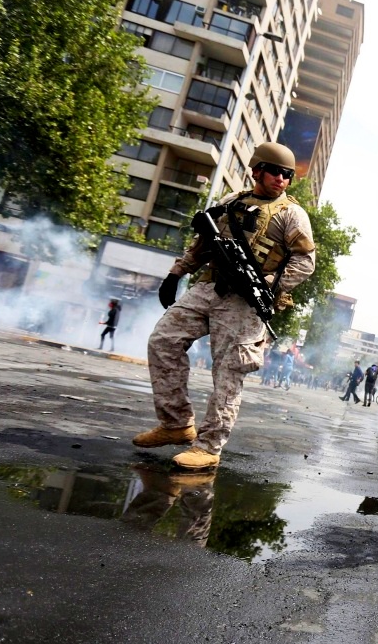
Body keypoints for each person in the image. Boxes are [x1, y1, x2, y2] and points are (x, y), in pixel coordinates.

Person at [131, 142, 316, 470]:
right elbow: (203, 244)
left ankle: (209, 446)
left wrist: (271, 284)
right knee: (163, 341)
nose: (282, 179)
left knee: (229, 370)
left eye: (288, 174)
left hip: (245, 301)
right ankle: (176, 424)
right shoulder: (231, 202)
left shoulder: (291, 214)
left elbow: (305, 262)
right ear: (256, 169)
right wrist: (176, 273)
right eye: (275, 171)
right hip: (209, 287)